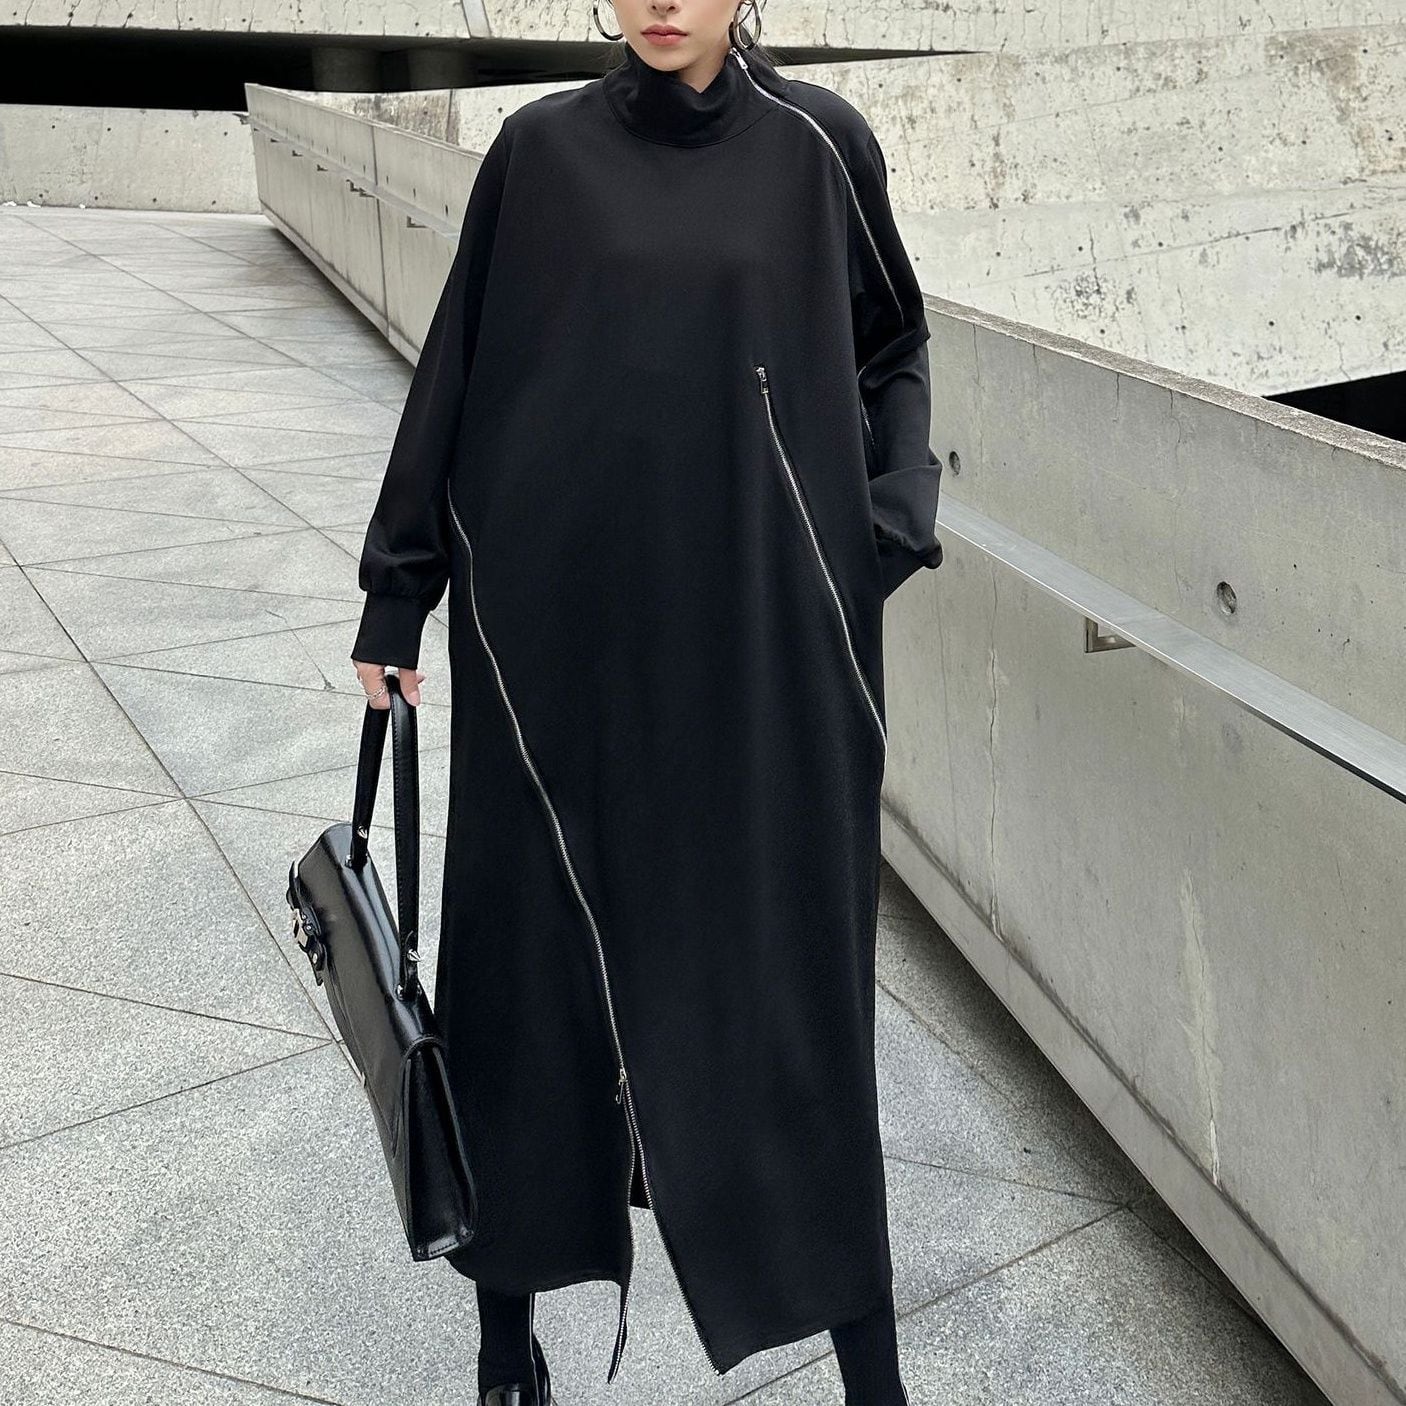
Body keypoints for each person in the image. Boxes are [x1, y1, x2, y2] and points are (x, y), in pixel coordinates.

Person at [349, 2, 943, 1402]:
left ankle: (874, 1381)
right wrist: (397, 588)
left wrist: (880, 530)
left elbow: (893, 351)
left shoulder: (819, 148)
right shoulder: (538, 154)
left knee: (793, 1009)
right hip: (552, 654)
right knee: (522, 991)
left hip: (759, 665)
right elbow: (457, 371)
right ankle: (504, 1357)